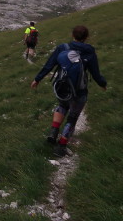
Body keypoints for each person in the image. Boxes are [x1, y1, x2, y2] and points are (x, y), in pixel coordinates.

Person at [30, 25, 107, 157]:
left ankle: (53, 133)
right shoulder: (89, 51)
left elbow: (49, 65)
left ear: (73, 35)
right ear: (87, 37)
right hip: (79, 91)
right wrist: (102, 84)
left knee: (62, 106)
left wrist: (37, 79)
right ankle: (62, 146)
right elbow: (95, 73)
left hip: (62, 88)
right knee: (73, 116)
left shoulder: (63, 48)